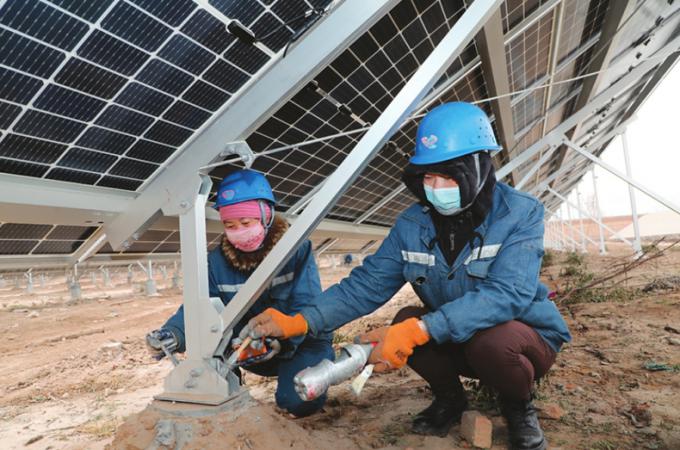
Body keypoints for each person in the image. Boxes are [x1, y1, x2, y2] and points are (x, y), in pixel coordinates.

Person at [243, 102, 572, 450]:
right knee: (404, 319)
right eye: (427, 177)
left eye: (448, 176)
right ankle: (450, 400)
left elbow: (508, 294)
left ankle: (518, 409)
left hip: (522, 339)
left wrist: (423, 329)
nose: (435, 187)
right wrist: (301, 321)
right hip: (458, 336)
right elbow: (365, 286)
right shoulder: (413, 224)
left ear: (478, 167)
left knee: (488, 342)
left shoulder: (520, 213)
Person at [146, 169, 333, 418]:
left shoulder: (295, 250)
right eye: (229, 225)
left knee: (296, 401)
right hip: (250, 347)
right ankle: (229, 393)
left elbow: (306, 304)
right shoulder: (216, 262)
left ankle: (317, 374)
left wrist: (281, 339)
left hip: (300, 342)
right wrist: (174, 333)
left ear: (266, 215)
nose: (238, 231)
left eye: (246, 223)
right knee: (211, 359)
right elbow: (201, 308)